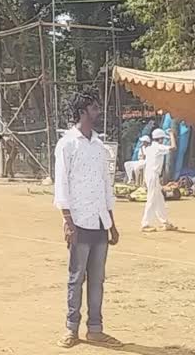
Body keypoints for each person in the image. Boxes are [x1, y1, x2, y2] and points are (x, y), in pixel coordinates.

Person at [53, 89, 121, 349]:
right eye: (93, 107)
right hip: (79, 221)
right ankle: (71, 329)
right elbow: (62, 185)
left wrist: (112, 224)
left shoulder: (100, 146)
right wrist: (67, 221)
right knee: (76, 277)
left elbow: (106, 186)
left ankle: (96, 329)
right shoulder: (67, 145)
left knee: (98, 279)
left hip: (100, 222)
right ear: (82, 111)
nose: (98, 111)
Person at [141, 129, 178, 232]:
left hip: (150, 174)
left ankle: (165, 222)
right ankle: (145, 224)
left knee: (159, 199)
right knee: (152, 199)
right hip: (153, 175)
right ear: (160, 139)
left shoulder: (149, 148)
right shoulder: (158, 147)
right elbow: (173, 147)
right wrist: (171, 134)